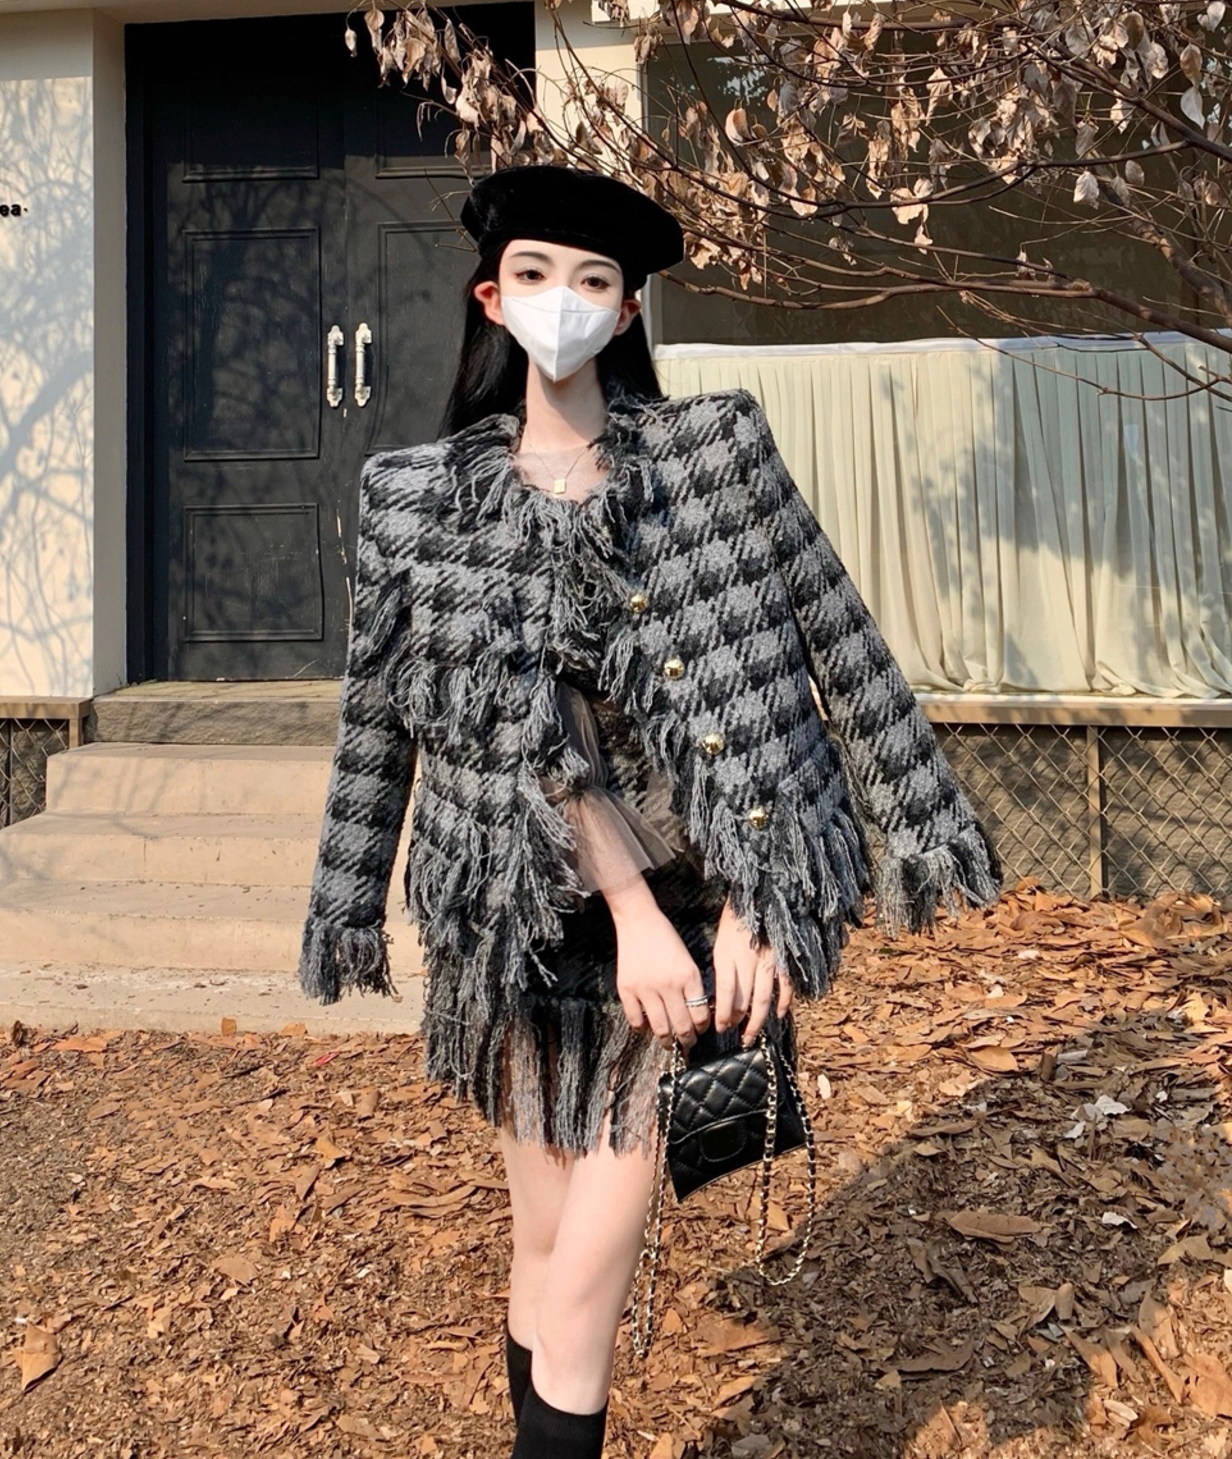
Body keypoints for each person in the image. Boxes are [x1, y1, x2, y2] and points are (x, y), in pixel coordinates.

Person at [298, 164, 1004, 1458]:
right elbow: (389, 718)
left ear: (626, 311)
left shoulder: (712, 455)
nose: (561, 300)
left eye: (593, 280)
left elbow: (831, 644)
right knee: (539, 1244)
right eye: (534, 275)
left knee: (581, 1292)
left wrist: (759, 901)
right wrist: (347, 902)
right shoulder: (415, 495)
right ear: (491, 298)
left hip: (682, 923)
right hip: (515, 920)